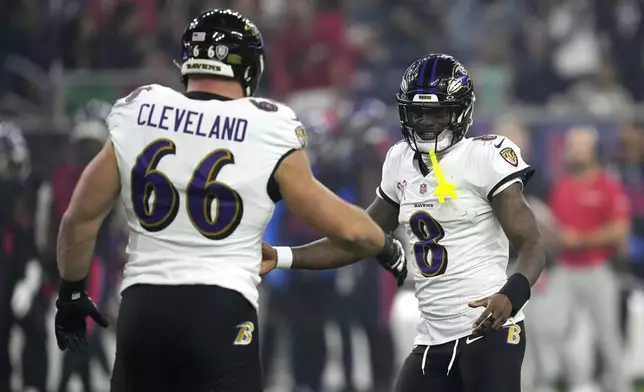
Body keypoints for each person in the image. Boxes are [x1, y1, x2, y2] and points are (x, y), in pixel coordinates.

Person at [52, 9, 406, 392]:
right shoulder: (267, 125)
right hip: (220, 312)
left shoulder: (143, 110)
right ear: (250, 69)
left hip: (143, 310)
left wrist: (71, 293)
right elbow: (350, 230)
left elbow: (79, 220)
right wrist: (386, 247)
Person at [262, 53, 546, 392]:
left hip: (490, 332)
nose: (425, 121)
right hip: (431, 339)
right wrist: (282, 256)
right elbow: (359, 236)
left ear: (460, 111)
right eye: (418, 111)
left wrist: (510, 297)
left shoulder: (485, 155)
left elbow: (531, 245)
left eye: (436, 111)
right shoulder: (399, 160)